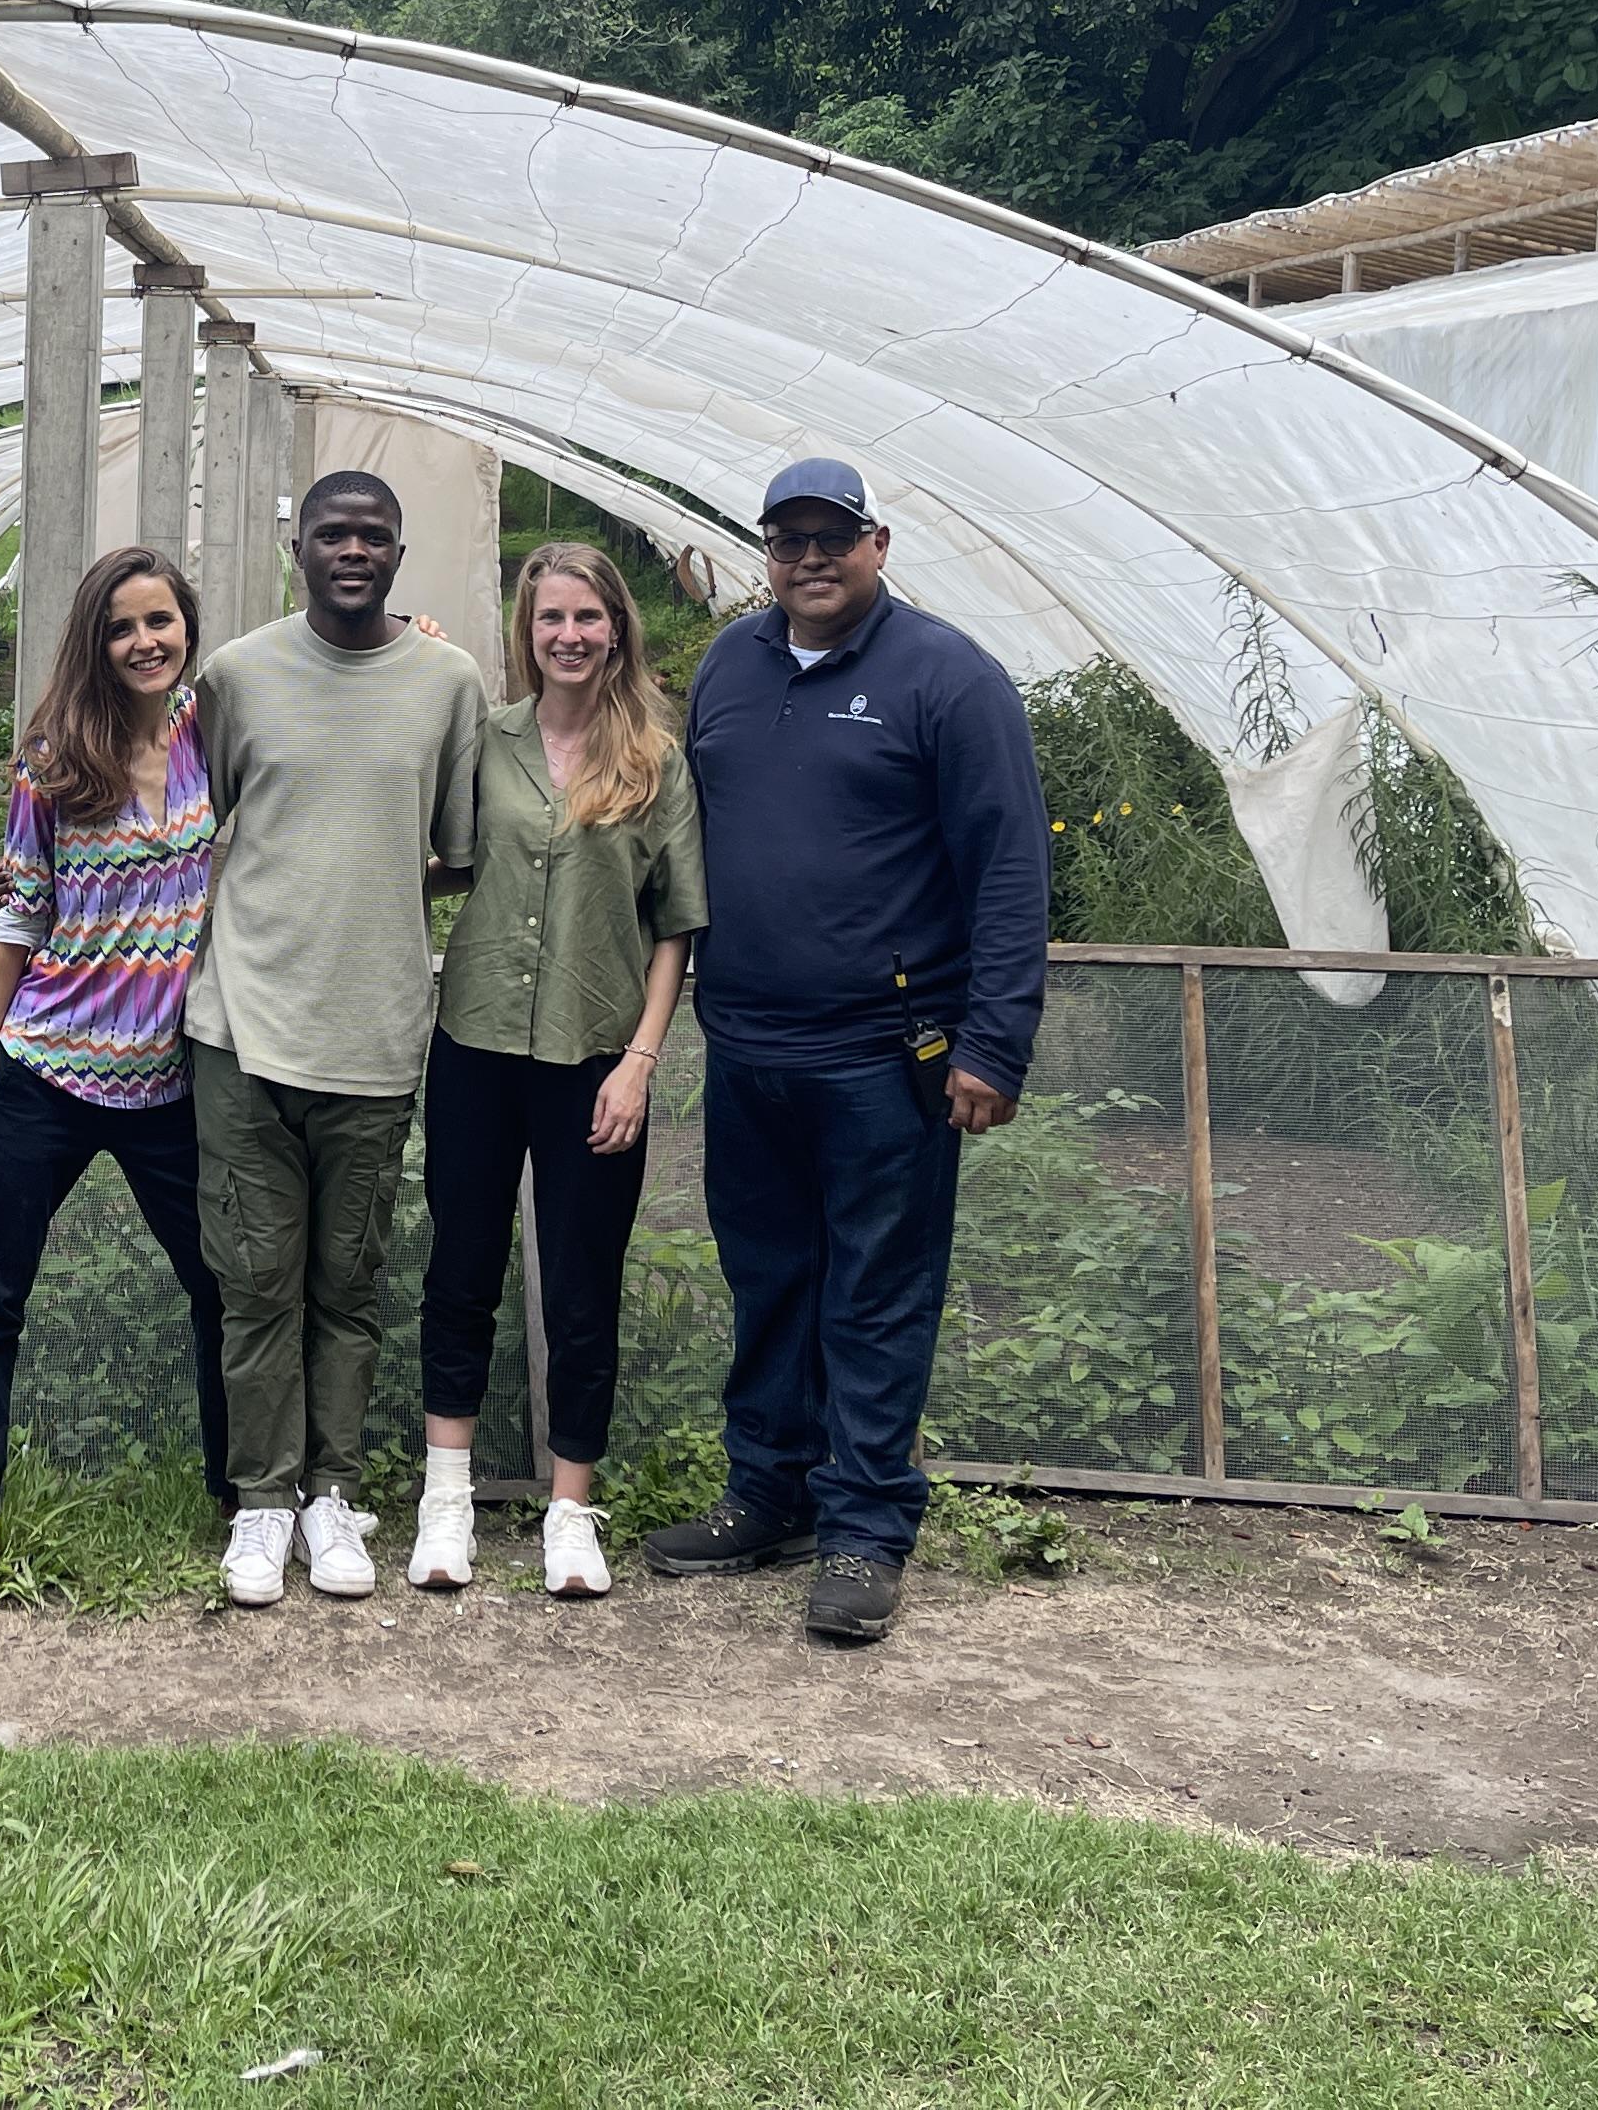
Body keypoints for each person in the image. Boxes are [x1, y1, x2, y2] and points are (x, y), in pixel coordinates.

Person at [647, 456, 1049, 1643]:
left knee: (876, 1291)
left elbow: (1012, 871)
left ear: (879, 545)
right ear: (764, 553)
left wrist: (996, 1045)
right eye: (788, 541)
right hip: (751, 1044)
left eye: (833, 538)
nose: (810, 560)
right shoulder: (730, 663)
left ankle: (865, 1528)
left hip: (889, 1052)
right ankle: (766, 1492)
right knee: (769, 1277)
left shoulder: (949, 680)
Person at [185, 468, 485, 1606]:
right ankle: (262, 1503)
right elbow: (189, 824)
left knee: (349, 1281)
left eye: (374, 536)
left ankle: (334, 1498)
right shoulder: (238, 675)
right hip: (241, 1028)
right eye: (332, 534)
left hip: (373, 1032)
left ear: (400, 555)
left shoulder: (447, 682)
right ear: (296, 548)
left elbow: (457, 848)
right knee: (255, 1280)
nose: (352, 551)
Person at [0, 545, 231, 1615]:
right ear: (93, 640)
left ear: (187, 628)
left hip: (166, 1084)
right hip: (45, 1071)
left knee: (222, 1286)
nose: (145, 642)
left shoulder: (211, 734)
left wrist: (408, 644)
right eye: (122, 626)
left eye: (162, 622)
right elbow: (19, 918)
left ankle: (242, 1501)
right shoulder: (54, 757)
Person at [411, 541, 706, 1600]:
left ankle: (570, 1510)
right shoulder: (486, 741)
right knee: (462, 1268)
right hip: (478, 1045)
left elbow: (676, 926)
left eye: (588, 618)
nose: (570, 636)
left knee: (583, 1286)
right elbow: (441, 857)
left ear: (617, 625)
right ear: (524, 635)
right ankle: (446, 1495)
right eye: (549, 621)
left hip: (594, 1055)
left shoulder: (655, 759)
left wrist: (638, 1062)